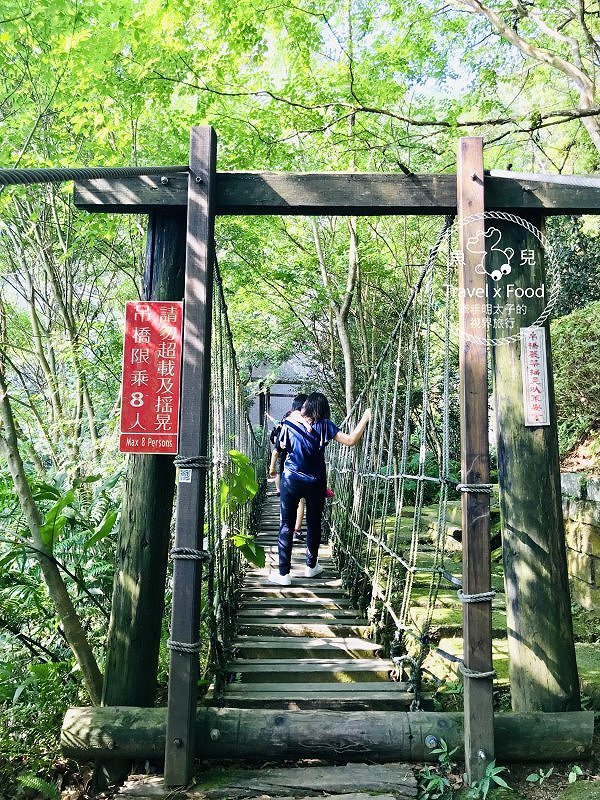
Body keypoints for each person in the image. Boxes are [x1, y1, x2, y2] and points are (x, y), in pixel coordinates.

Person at [269, 392, 371, 586]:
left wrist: (273, 468)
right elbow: (350, 440)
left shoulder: (289, 423)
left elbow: (279, 448)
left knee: (286, 525)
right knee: (314, 523)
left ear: (306, 406)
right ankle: (311, 567)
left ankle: (284, 575)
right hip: (316, 482)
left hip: (291, 481)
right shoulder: (325, 424)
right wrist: (365, 418)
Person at [269, 394, 307, 537]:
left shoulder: (286, 425)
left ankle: (286, 528)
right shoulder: (310, 425)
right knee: (301, 500)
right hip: (305, 470)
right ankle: (296, 529)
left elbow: (276, 450)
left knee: (287, 500)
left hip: (287, 470)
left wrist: (271, 468)